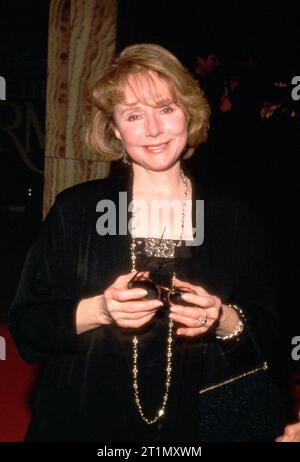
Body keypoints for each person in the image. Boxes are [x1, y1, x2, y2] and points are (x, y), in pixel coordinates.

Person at [9, 43, 286, 442]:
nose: (153, 129)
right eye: (134, 115)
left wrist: (224, 319)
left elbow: (271, 335)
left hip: (201, 424)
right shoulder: (78, 210)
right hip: (85, 418)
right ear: (115, 129)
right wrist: (99, 310)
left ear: (188, 114)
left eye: (166, 109)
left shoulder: (233, 217)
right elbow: (28, 327)